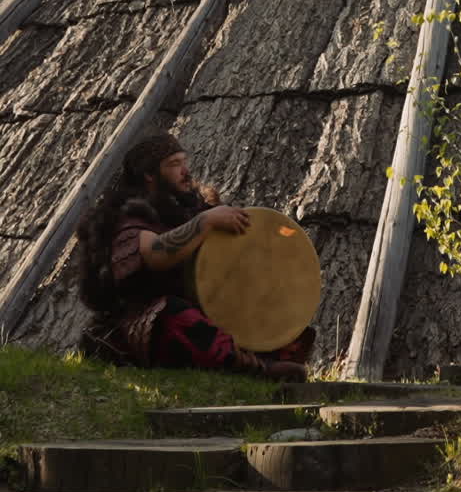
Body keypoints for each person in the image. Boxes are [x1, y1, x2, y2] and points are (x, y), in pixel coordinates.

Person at [76, 131, 312, 379]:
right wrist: (205, 221)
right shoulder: (125, 215)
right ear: (149, 174)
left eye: (184, 162)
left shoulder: (190, 208)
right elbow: (155, 254)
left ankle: (257, 356)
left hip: (200, 310)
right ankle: (253, 367)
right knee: (175, 315)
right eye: (174, 165)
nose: (186, 171)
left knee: (271, 319)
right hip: (138, 323)